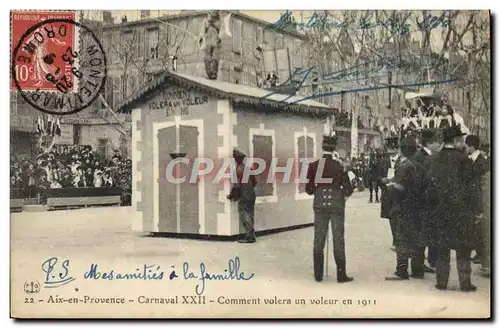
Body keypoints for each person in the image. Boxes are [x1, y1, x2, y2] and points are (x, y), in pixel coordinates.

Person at [428, 125, 476, 292]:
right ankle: (465, 283)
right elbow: (471, 187)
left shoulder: (434, 159)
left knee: (442, 248)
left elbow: (430, 186)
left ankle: (442, 282)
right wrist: (475, 210)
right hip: (461, 210)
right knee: (463, 248)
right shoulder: (464, 159)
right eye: (461, 139)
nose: (463, 142)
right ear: (456, 141)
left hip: (441, 211)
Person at [306, 135, 354, 283]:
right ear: (334, 148)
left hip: (320, 203)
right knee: (338, 239)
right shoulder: (339, 166)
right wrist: (343, 197)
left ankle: (318, 275)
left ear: (322, 147)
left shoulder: (313, 166)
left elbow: (308, 189)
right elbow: (348, 188)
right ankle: (341, 275)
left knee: (318, 239)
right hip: (336, 204)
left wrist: (318, 190)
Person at [385, 137, 425, 280]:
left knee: (401, 238)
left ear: (402, 150)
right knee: (417, 238)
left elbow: (399, 187)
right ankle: (418, 269)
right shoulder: (419, 165)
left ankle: (401, 270)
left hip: (402, 207)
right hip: (418, 207)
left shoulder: (403, 166)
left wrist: (390, 187)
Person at [413, 129, 443, 273]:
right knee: (424, 232)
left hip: (429, 200)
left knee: (429, 231)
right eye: (436, 142)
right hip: (424, 200)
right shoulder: (421, 157)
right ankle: (421, 263)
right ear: (430, 143)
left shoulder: (425, 156)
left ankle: (429, 261)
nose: (438, 145)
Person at [465, 135, 489, 267]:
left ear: (472, 147)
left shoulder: (482, 162)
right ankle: (479, 253)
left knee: (480, 228)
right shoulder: (472, 160)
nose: (465, 148)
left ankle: (482, 254)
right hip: (473, 197)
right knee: (476, 228)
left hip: (480, 198)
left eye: (467, 145)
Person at [227, 149, 257, 244]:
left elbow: (236, 186)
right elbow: (255, 182)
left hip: (244, 195)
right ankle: (252, 236)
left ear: (236, 160)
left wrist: (231, 195)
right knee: (251, 214)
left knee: (244, 215)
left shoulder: (237, 170)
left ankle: (249, 238)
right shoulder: (249, 168)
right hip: (252, 194)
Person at [380, 136, 400, 251]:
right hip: (387, 193)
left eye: (393, 149)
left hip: (398, 192)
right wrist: (382, 180)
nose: (391, 151)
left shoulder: (402, 160)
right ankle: (395, 239)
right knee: (391, 218)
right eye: (389, 149)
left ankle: (399, 240)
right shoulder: (383, 161)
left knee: (399, 217)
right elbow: (377, 175)